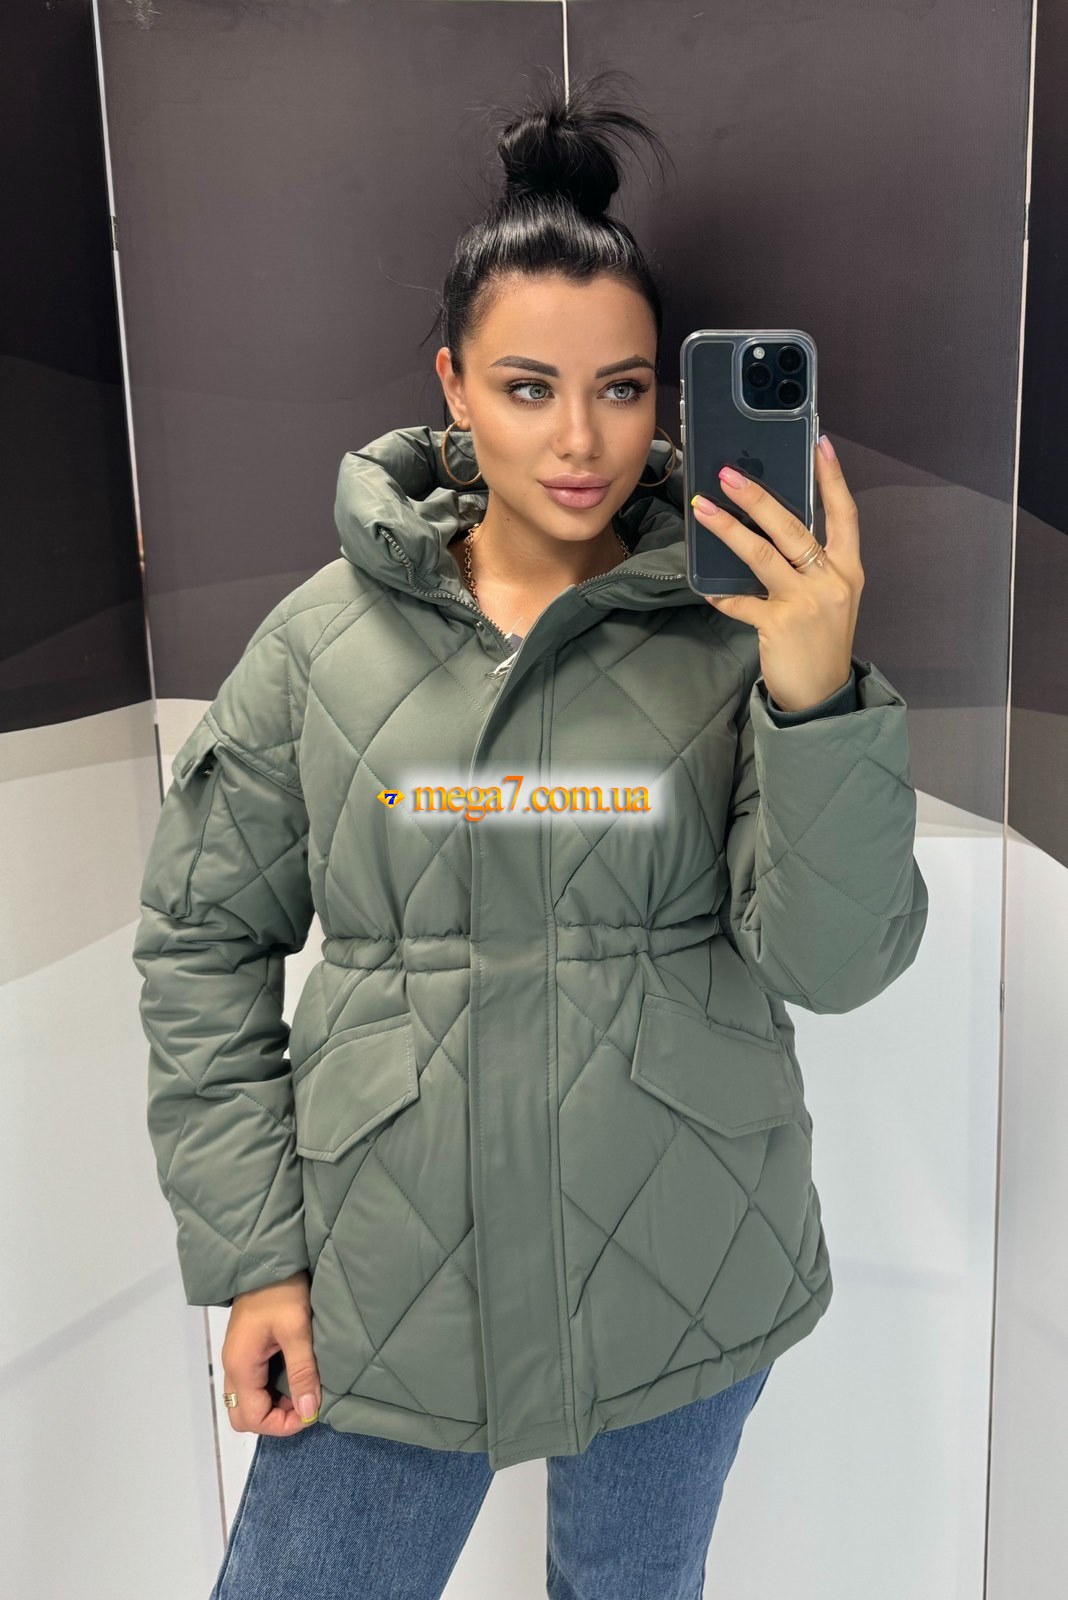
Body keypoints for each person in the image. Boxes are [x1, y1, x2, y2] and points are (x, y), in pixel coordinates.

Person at [133, 67, 928, 1600]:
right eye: (526, 386)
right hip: (382, 1281)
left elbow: (834, 966)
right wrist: (255, 1254)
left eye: (621, 388)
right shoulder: (317, 646)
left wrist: (817, 694)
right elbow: (202, 945)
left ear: (665, 396)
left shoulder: (740, 635)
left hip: (685, 1263)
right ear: (452, 383)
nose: (581, 439)